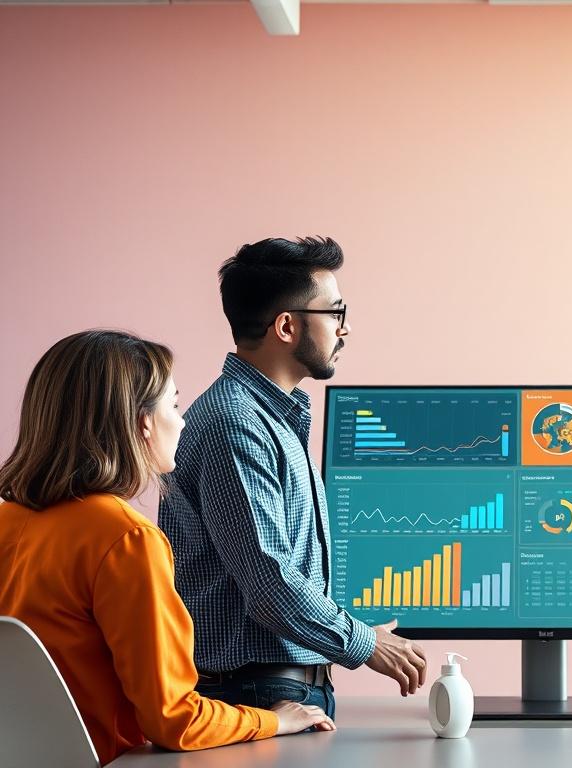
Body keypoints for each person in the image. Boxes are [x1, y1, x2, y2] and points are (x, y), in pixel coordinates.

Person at [0, 330, 333, 766]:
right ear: (142, 423)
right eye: (174, 405)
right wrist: (273, 721)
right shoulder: (126, 540)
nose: (182, 421)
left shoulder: (8, 521)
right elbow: (174, 720)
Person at [159, 236, 427, 718]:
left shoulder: (270, 419)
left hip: (276, 690)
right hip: (257, 695)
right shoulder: (235, 424)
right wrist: (366, 644)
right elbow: (268, 582)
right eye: (336, 313)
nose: (345, 330)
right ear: (286, 326)